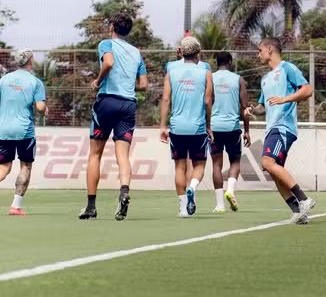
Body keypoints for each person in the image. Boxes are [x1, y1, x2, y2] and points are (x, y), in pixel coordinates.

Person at [80, 13, 149, 221]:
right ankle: (124, 191)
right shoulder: (136, 52)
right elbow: (144, 85)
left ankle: (91, 207)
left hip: (107, 102)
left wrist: (98, 81)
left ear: (112, 26)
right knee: (123, 156)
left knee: (95, 154)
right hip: (128, 105)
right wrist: (129, 85)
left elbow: (108, 63)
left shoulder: (106, 44)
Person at [245, 37, 315, 224]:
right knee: (274, 169)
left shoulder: (287, 68)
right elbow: (263, 107)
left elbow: (308, 90)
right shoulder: (265, 79)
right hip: (271, 128)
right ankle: (298, 212)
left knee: (267, 162)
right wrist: (252, 109)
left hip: (283, 126)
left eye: (260, 50)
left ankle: (304, 200)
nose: (258, 54)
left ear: (269, 49)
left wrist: (285, 99)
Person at [159, 37, 213, 217]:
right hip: (197, 127)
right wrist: (208, 125)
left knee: (179, 167)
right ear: (198, 53)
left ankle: (183, 209)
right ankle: (192, 187)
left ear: (181, 51)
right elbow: (207, 101)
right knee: (199, 165)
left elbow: (166, 99)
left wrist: (162, 125)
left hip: (177, 127)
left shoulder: (171, 68)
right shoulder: (205, 69)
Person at [0, 50, 46, 216]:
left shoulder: (4, 80)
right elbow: (40, 108)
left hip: (3, 130)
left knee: (3, 168)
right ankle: (16, 206)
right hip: (24, 131)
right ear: (30, 61)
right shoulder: (35, 82)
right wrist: (45, 109)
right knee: (25, 166)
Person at [209, 51, 250, 213]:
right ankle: (230, 190)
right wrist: (246, 130)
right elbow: (245, 109)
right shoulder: (238, 80)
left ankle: (219, 205)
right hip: (232, 127)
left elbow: (206, 102)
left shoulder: (209, 78)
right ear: (230, 62)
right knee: (235, 161)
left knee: (216, 165)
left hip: (214, 127)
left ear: (216, 62)